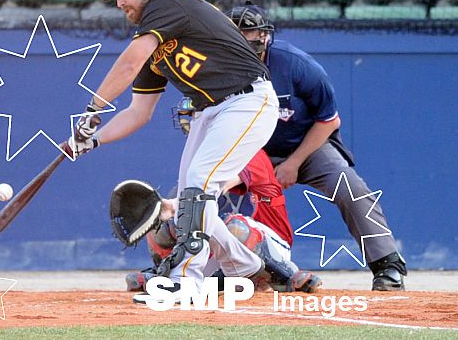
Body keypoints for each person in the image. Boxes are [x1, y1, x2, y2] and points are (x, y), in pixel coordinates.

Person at [69, 0, 282, 300]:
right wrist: (91, 141)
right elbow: (138, 112)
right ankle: (246, 265)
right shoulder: (154, 43)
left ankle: (187, 278)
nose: (120, 1)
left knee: (200, 183)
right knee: (191, 199)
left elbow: (128, 61)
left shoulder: (166, 2)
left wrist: (93, 108)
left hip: (247, 100)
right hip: (210, 111)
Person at [224, 0, 407, 291]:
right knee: (209, 186)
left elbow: (329, 121)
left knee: (350, 186)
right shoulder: (216, 67)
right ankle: (185, 264)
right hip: (250, 150)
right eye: (232, 33)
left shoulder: (295, 64)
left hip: (305, 145)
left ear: (265, 36)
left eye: (247, 32)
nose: (240, 40)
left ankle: (387, 265)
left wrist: (293, 163)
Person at [125, 98, 322, 293]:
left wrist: (176, 204)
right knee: (168, 224)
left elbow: (215, 185)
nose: (195, 121)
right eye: (192, 117)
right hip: (225, 251)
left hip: (268, 246)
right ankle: (169, 274)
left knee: (234, 225)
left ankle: (283, 274)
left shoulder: (249, 150)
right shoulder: (196, 159)